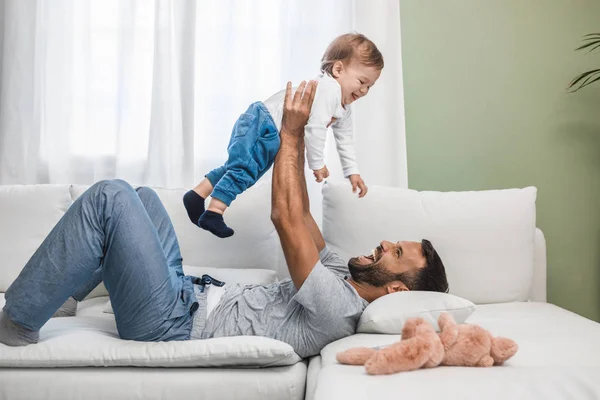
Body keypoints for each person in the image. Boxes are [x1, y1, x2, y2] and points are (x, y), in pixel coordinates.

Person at [0, 81, 449, 359]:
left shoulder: (341, 310)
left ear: (395, 289)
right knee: (142, 198)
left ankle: (17, 322)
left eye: (396, 253)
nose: (385, 243)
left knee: (109, 197)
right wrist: (294, 136)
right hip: (180, 292)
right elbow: (304, 214)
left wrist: (292, 133)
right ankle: (60, 297)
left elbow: (285, 219)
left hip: (167, 322)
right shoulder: (339, 275)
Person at [183, 33, 384, 238]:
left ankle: (197, 195)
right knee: (244, 170)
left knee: (235, 168)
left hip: (266, 126)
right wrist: (317, 164)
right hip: (264, 123)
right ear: (338, 69)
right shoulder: (329, 90)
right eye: (361, 81)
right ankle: (214, 213)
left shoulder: (343, 107)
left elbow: (345, 139)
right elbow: (316, 128)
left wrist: (353, 172)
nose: (364, 90)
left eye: (370, 86)